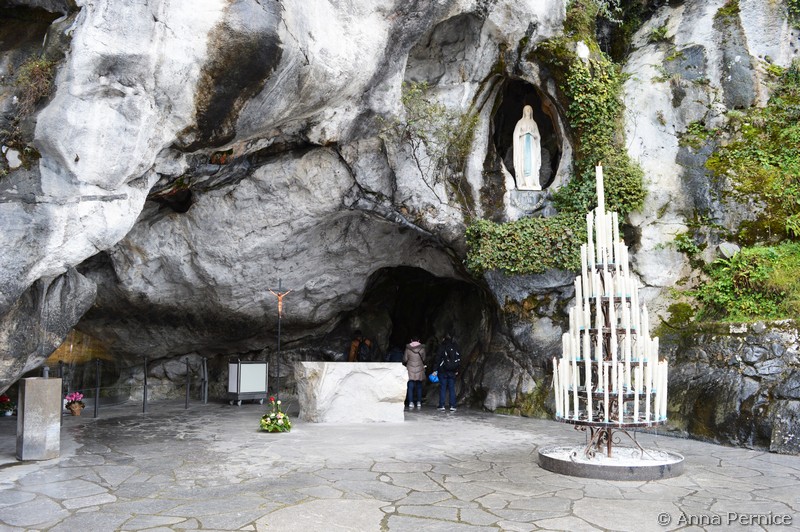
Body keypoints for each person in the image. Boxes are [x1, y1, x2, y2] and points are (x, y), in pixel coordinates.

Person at [512, 104, 541, 190]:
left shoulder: (534, 123)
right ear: (523, 111)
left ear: (531, 111)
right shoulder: (520, 122)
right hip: (522, 145)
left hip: (532, 145)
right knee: (523, 161)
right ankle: (523, 182)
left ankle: (532, 182)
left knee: (532, 162)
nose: (527, 111)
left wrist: (531, 133)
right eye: (526, 109)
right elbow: (516, 134)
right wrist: (524, 133)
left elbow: (538, 136)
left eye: (529, 109)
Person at [433, 333, 461, 412]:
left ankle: (441, 405)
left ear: (444, 339)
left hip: (443, 371)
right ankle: (453, 406)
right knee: (452, 388)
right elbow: (459, 359)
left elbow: (437, 359)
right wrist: (457, 370)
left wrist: (435, 370)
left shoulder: (442, 347)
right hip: (452, 371)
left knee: (443, 388)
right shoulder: (455, 346)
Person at [403, 338, 426, 410]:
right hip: (419, 369)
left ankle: (411, 402)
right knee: (419, 386)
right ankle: (419, 402)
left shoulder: (408, 349)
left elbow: (405, 359)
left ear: (411, 340)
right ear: (419, 340)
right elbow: (424, 359)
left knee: (410, 387)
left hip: (410, 369)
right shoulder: (422, 349)